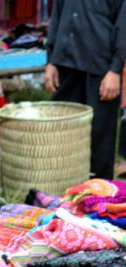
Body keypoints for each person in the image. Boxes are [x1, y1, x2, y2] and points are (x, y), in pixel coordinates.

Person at [45, 0, 126, 179]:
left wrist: (115, 69)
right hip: (66, 63)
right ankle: (63, 188)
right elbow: (58, 14)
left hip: (101, 68)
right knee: (62, 131)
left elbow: (123, 24)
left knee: (99, 138)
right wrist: (51, 59)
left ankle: (97, 195)